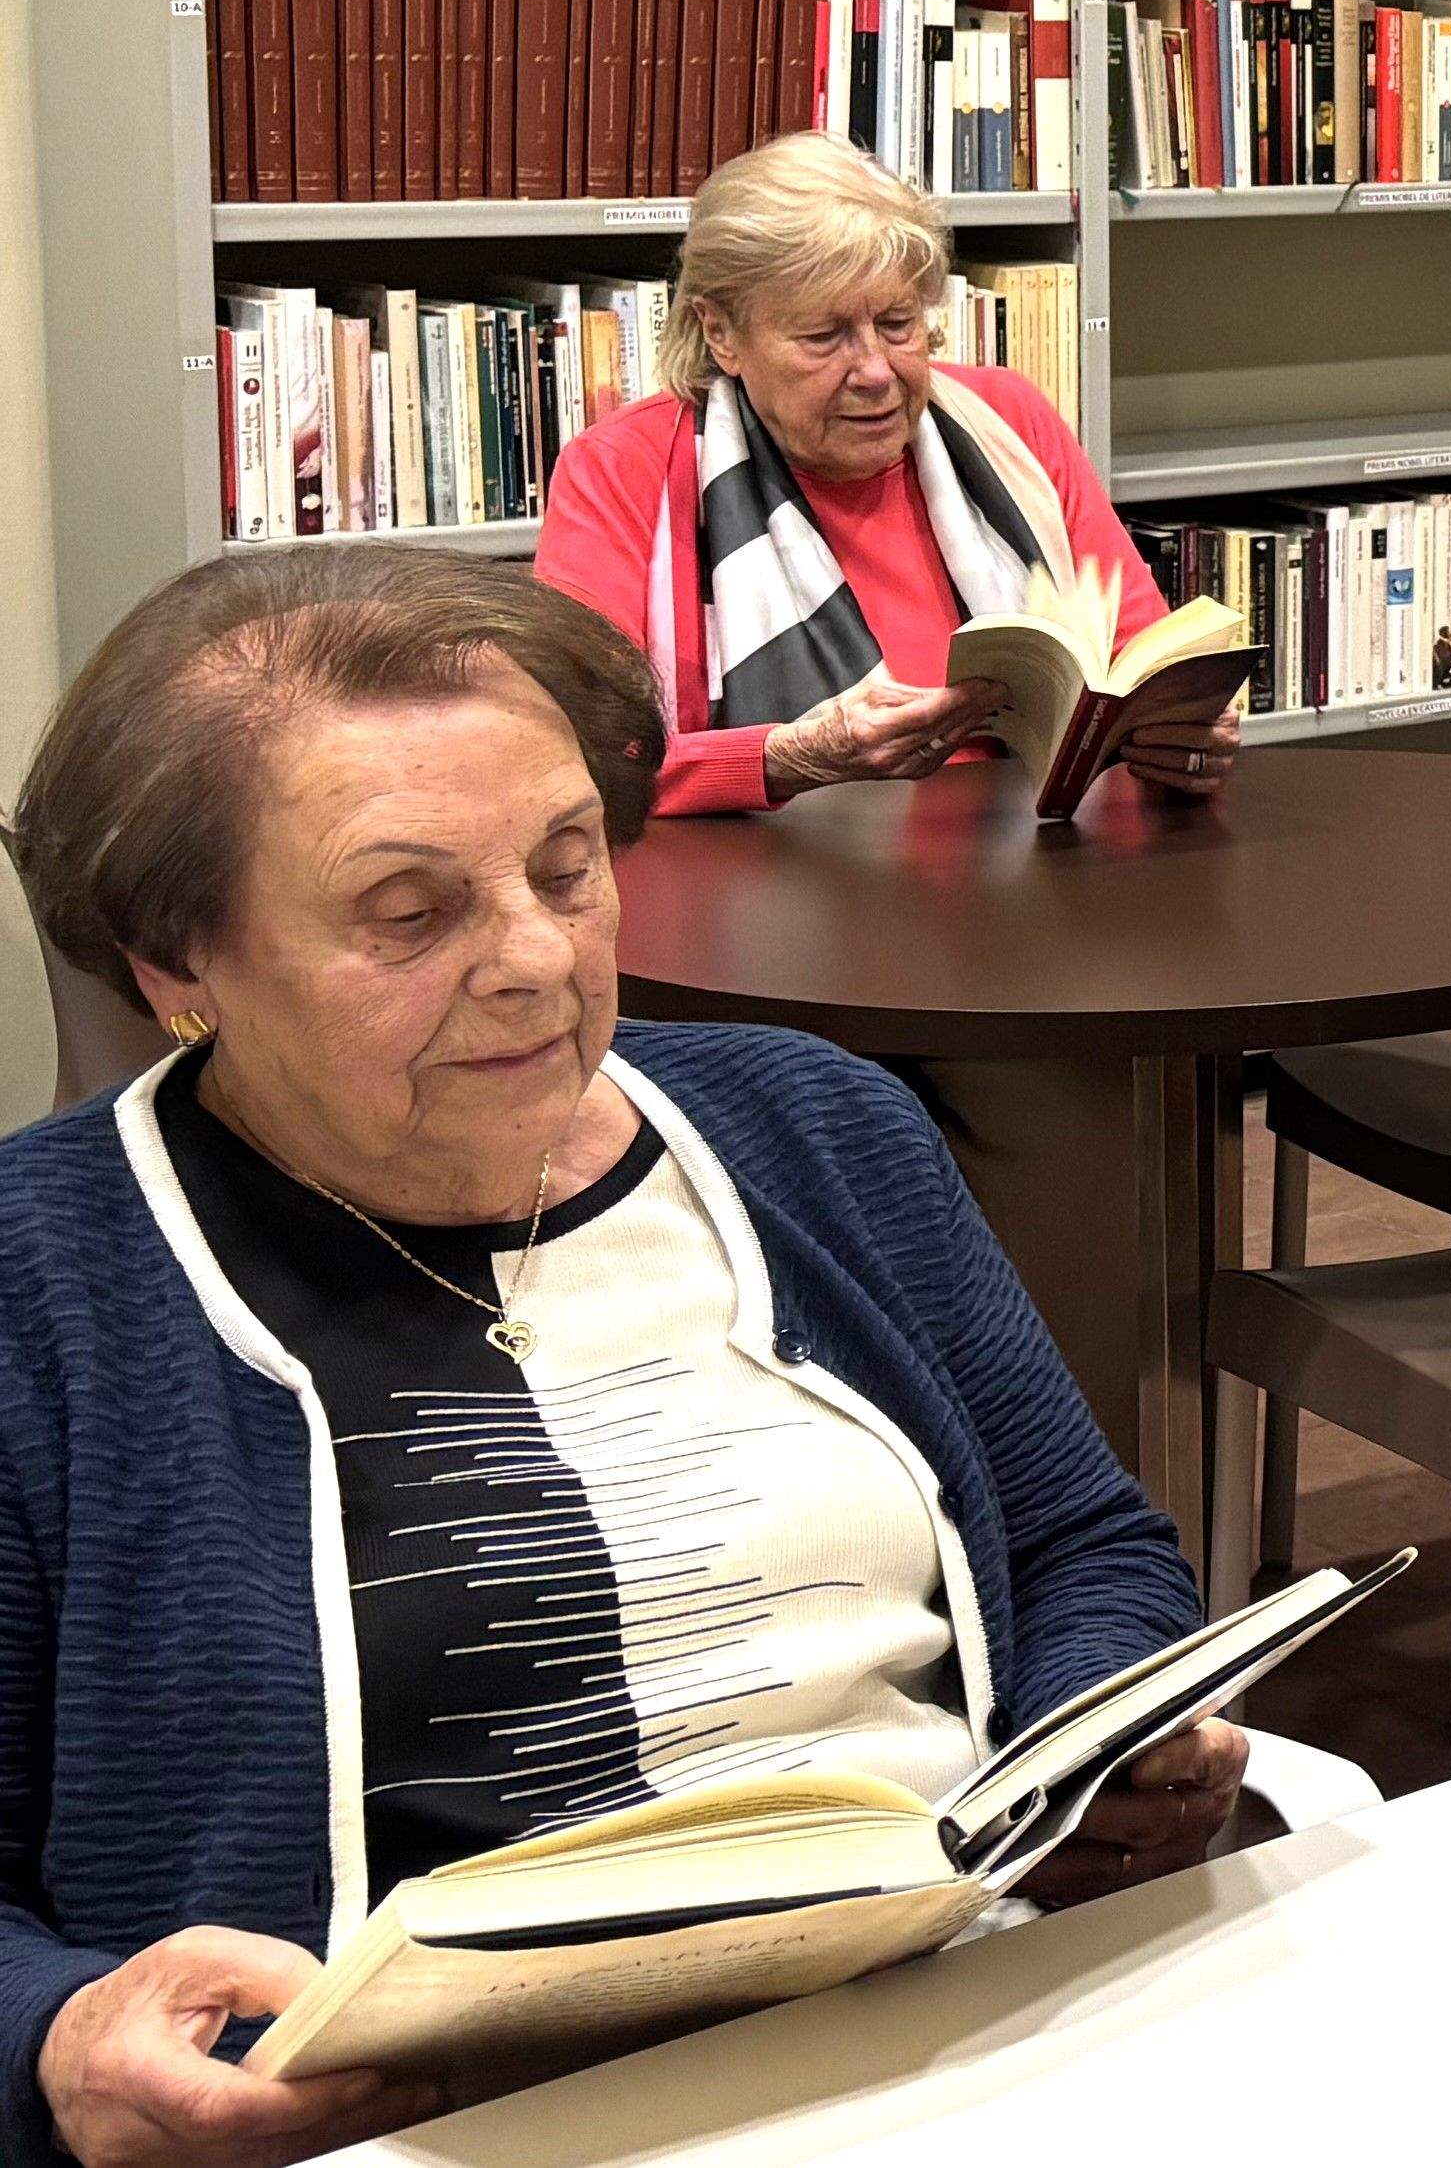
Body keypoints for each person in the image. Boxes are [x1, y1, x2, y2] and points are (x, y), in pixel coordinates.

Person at [0, 548, 1248, 2168]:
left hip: (976, 2024)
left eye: (566, 865)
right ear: (178, 968)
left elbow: (1081, 1540)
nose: (533, 955)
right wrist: (57, 2038)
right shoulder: (45, 1286)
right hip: (442, 2127)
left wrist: (1097, 1739)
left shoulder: (814, 1124)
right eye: (409, 908)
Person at [530, 136, 1235, 817]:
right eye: (824, 337)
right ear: (722, 333)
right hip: (763, 896)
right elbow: (575, 755)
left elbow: (1137, 659)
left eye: (898, 323)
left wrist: (1186, 731)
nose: (875, 372)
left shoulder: (1008, 420)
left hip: (1038, 875)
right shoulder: (626, 468)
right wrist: (790, 759)